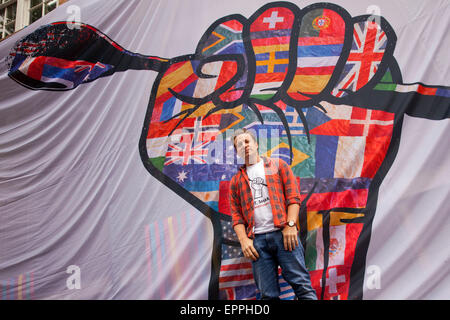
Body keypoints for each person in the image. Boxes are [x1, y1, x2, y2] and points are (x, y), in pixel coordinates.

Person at [229, 128, 317, 300]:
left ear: (255, 144)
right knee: (267, 296)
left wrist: (291, 225)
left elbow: (293, 197)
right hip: (258, 243)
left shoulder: (278, 166)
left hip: (284, 235)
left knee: (302, 286)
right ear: (237, 152)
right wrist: (244, 240)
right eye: (239, 145)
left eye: (247, 141)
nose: (244, 146)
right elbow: (236, 216)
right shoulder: (236, 182)